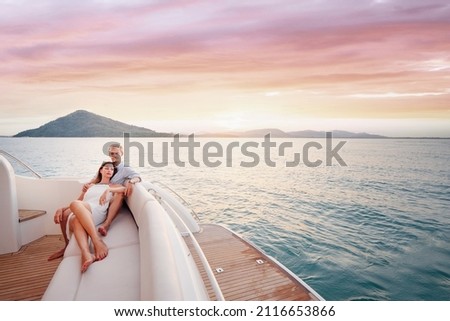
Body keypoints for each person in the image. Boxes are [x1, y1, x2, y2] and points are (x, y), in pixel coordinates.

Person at [49, 161, 126, 272]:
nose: (110, 170)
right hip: (83, 209)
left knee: (74, 204)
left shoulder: (113, 186)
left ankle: (96, 241)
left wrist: (108, 190)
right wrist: (62, 209)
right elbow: (79, 200)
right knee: (75, 216)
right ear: (101, 170)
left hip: (97, 211)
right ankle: (86, 253)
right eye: (107, 168)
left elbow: (124, 190)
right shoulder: (91, 186)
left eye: (112, 169)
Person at [95, 142, 141, 236]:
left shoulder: (126, 168)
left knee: (120, 194)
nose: (114, 155)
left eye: (117, 153)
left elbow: (138, 177)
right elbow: (96, 179)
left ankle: (106, 224)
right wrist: (89, 185)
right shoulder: (107, 166)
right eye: (112, 153)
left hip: (112, 196)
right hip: (99, 193)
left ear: (121, 153)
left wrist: (131, 182)